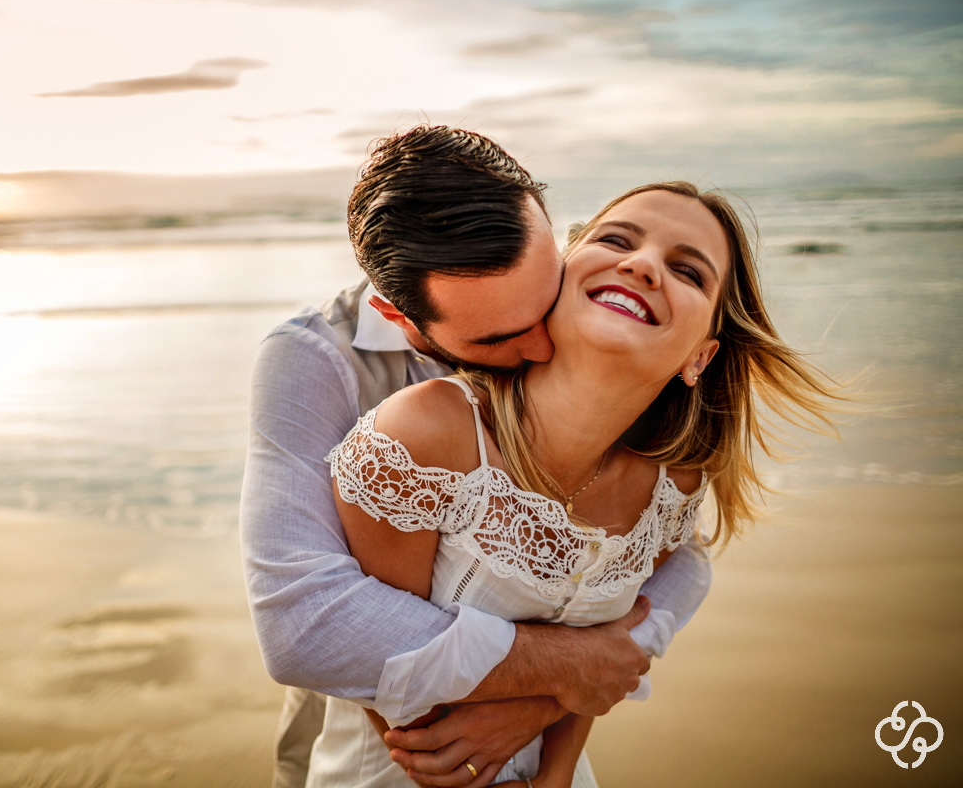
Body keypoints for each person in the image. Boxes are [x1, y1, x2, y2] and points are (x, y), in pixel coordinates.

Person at [312, 181, 846, 786]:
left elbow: (599, 654)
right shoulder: (427, 436)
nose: (643, 265)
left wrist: (556, 774)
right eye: (617, 239)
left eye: (688, 271)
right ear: (558, 279)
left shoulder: (672, 487)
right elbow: (385, 668)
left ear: (699, 356)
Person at [240, 126, 714, 788]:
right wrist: (565, 670)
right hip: (360, 695)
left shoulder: (583, 330)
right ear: (402, 320)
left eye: (545, 302)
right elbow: (309, 627)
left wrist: (550, 700)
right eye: (501, 339)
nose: (546, 349)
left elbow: (671, 552)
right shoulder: (317, 361)